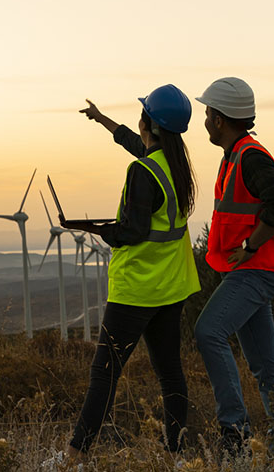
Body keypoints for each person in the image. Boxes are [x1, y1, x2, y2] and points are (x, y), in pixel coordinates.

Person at [45, 84, 201, 468]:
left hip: (137, 290)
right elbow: (136, 144)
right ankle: (174, 455)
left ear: (148, 121)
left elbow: (131, 232)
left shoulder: (142, 171)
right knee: (170, 373)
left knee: (104, 374)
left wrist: (93, 228)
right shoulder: (174, 165)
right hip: (172, 286)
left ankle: (76, 455)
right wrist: (101, 120)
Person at [192, 76, 274, 455]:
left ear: (219, 119)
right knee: (265, 366)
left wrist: (251, 246)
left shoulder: (250, 156)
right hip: (254, 269)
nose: (204, 119)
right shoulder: (237, 154)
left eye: (207, 113)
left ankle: (233, 432)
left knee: (208, 332)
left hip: (259, 270)